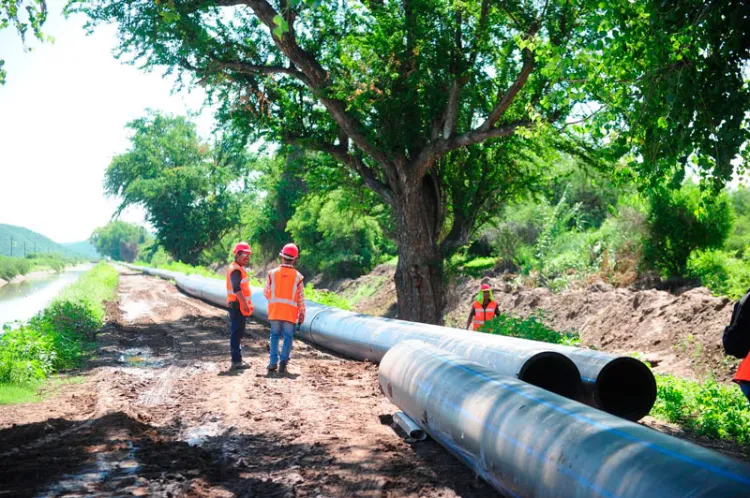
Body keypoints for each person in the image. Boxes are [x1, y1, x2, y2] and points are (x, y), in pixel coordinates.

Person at [264, 243, 306, 373]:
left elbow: (266, 292)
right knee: (288, 337)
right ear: (294, 259)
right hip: (290, 313)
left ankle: (272, 363)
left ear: (282, 257)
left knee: (274, 335)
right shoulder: (298, 277)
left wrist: (275, 300)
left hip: (275, 311)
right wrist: (302, 313)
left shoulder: (272, 274)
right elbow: (300, 297)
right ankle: (283, 362)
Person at [226, 242, 254, 370]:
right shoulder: (236, 270)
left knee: (238, 332)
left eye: (249, 255)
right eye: (244, 254)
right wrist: (244, 304)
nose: (247, 258)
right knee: (236, 333)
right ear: (237, 254)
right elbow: (237, 289)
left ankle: (237, 359)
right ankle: (236, 361)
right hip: (237, 306)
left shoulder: (238, 268)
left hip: (238, 306)